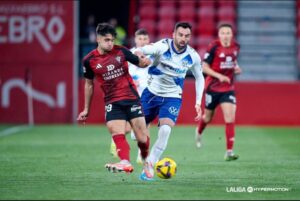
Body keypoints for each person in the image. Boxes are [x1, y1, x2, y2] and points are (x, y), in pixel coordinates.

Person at [77, 23, 152, 177]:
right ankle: (125, 162)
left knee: (142, 139)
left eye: (112, 40)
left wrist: (148, 61)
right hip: (112, 101)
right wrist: (86, 109)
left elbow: (141, 63)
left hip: (131, 98)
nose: (110, 43)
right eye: (107, 40)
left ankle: (146, 160)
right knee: (116, 132)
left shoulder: (121, 51)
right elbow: (89, 85)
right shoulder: (89, 60)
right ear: (98, 39)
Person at [134, 22, 205, 180]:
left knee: (165, 130)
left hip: (172, 97)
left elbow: (200, 78)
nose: (183, 38)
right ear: (173, 34)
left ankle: (150, 165)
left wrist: (198, 102)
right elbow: (143, 49)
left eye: (186, 36)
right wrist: (140, 54)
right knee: (136, 134)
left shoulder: (193, 56)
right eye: (180, 35)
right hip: (151, 94)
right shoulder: (163, 46)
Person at [195, 23, 242, 161]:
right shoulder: (213, 47)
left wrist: (237, 67)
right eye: (223, 33)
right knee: (208, 117)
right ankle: (198, 132)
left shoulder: (236, 46)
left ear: (231, 35)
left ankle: (229, 151)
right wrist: (220, 76)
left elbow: (233, 60)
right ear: (219, 34)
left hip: (228, 89)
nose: (226, 35)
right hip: (213, 88)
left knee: (230, 118)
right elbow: (204, 68)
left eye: (228, 33)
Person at [109, 28, 151, 163]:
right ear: (135, 39)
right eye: (140, 39)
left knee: (146, 124)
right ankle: (116, 140)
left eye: (145, 39)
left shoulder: (153, 53)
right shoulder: (128, 54)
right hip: (131, 94)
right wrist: (132, 81)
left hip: (147, 94)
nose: (142, 41)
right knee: (127, 127)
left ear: (148, 40)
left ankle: (141, 155)